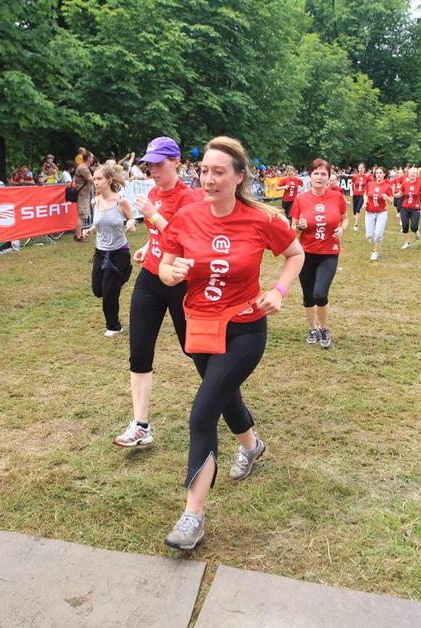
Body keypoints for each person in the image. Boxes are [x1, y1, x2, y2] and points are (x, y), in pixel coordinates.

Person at [158, 136, 303, 550]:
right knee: (224, 397)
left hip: (244, 329)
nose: (208, 178)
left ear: (238, 177)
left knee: (203, 412)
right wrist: (172, 272)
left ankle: (192, 516)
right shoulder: (186, 217)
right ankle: (252, 447)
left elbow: (296, 254)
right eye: (204, 170)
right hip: (200, 328)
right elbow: (165, 267)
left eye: (218, 171)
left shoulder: (261, 219)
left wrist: (278, 290)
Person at [114, 137, 197, 448]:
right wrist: (147, 247)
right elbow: (158, 235)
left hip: (179, 280)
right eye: (150, 164)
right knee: (139, 349)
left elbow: (185, 237)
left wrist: (153, 214)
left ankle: (224, 394)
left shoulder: (189, 198)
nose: (153, 170)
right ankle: (140, 425)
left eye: (159, 164)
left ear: (176, 162)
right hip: (150, 276)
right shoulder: (152, 193)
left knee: (194, 348)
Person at [291, 158, 348, 349]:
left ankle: (323, 328)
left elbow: (345, 219)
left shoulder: (337, 197)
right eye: (316, 173)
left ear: (329, 177)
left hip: (328, 253)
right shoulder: (301, 199)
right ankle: (312, 328)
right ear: (310, 176)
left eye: (323, 174)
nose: (319, 177)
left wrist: (342, 228)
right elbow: (292, 228)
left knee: (320, 294)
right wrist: (299, 226)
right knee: (308, 296)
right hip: (305, 254)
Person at [81, 162, 135, 336]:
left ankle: (114, 326)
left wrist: (131, 223)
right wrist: (90, 230)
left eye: (99, 179)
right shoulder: (95, 201)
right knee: (98, 290)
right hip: (100, 251)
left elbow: (131, 218)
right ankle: (119, 280)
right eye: (94, 179)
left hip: (119, 252)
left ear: (109, 180)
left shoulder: (120, 201)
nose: (95, 182)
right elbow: (99, 224)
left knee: (109, 293)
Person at [364, 167, 393, 261]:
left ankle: (375, 251)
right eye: (377, 173)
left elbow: (391, 201)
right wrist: (365, 202)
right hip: (369, 212)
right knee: (369, 235)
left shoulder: (387, 186)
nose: (378, 175)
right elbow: (365, 194)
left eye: (380, 173)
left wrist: (387, 198)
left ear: (384, 174)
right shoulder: (370, 184)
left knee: (378, 234)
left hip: (381, 212)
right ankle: (374, 237)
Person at [396, 167, 421, 249]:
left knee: (414, 227)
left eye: (414, 173)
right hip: (405, 207)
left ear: (416, 174)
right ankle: (407, 243)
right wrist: (394, 195)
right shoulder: (405, 183)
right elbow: (401, 193)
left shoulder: (420, 183)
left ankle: (416, 231)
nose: (412, 174)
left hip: (415, 208)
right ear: (408, 174)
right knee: (405, 226)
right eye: (410, 173)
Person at [73, 153, 94, 241]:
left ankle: (78, 234)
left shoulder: (84, 167)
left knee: (82, 215)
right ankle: (78, 236)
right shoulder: (83, 168)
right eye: (92, 157)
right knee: (81, 216)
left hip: (84, 194)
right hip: (82, 195)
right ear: (89, 158)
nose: (93, 159)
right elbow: (91, 179)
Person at [349, 163, 370, 231]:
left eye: (362, 168)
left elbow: (369, 186)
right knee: (354, 212)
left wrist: (366, 196)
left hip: (362, 195)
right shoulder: (355, 177)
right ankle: (357, 220)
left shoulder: (367, 177)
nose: (360, 169)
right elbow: (351, 184)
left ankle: (356, 225)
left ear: (364, 169)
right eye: (359, 168)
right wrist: (351, 191)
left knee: (358, 210)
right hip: (355, 194)